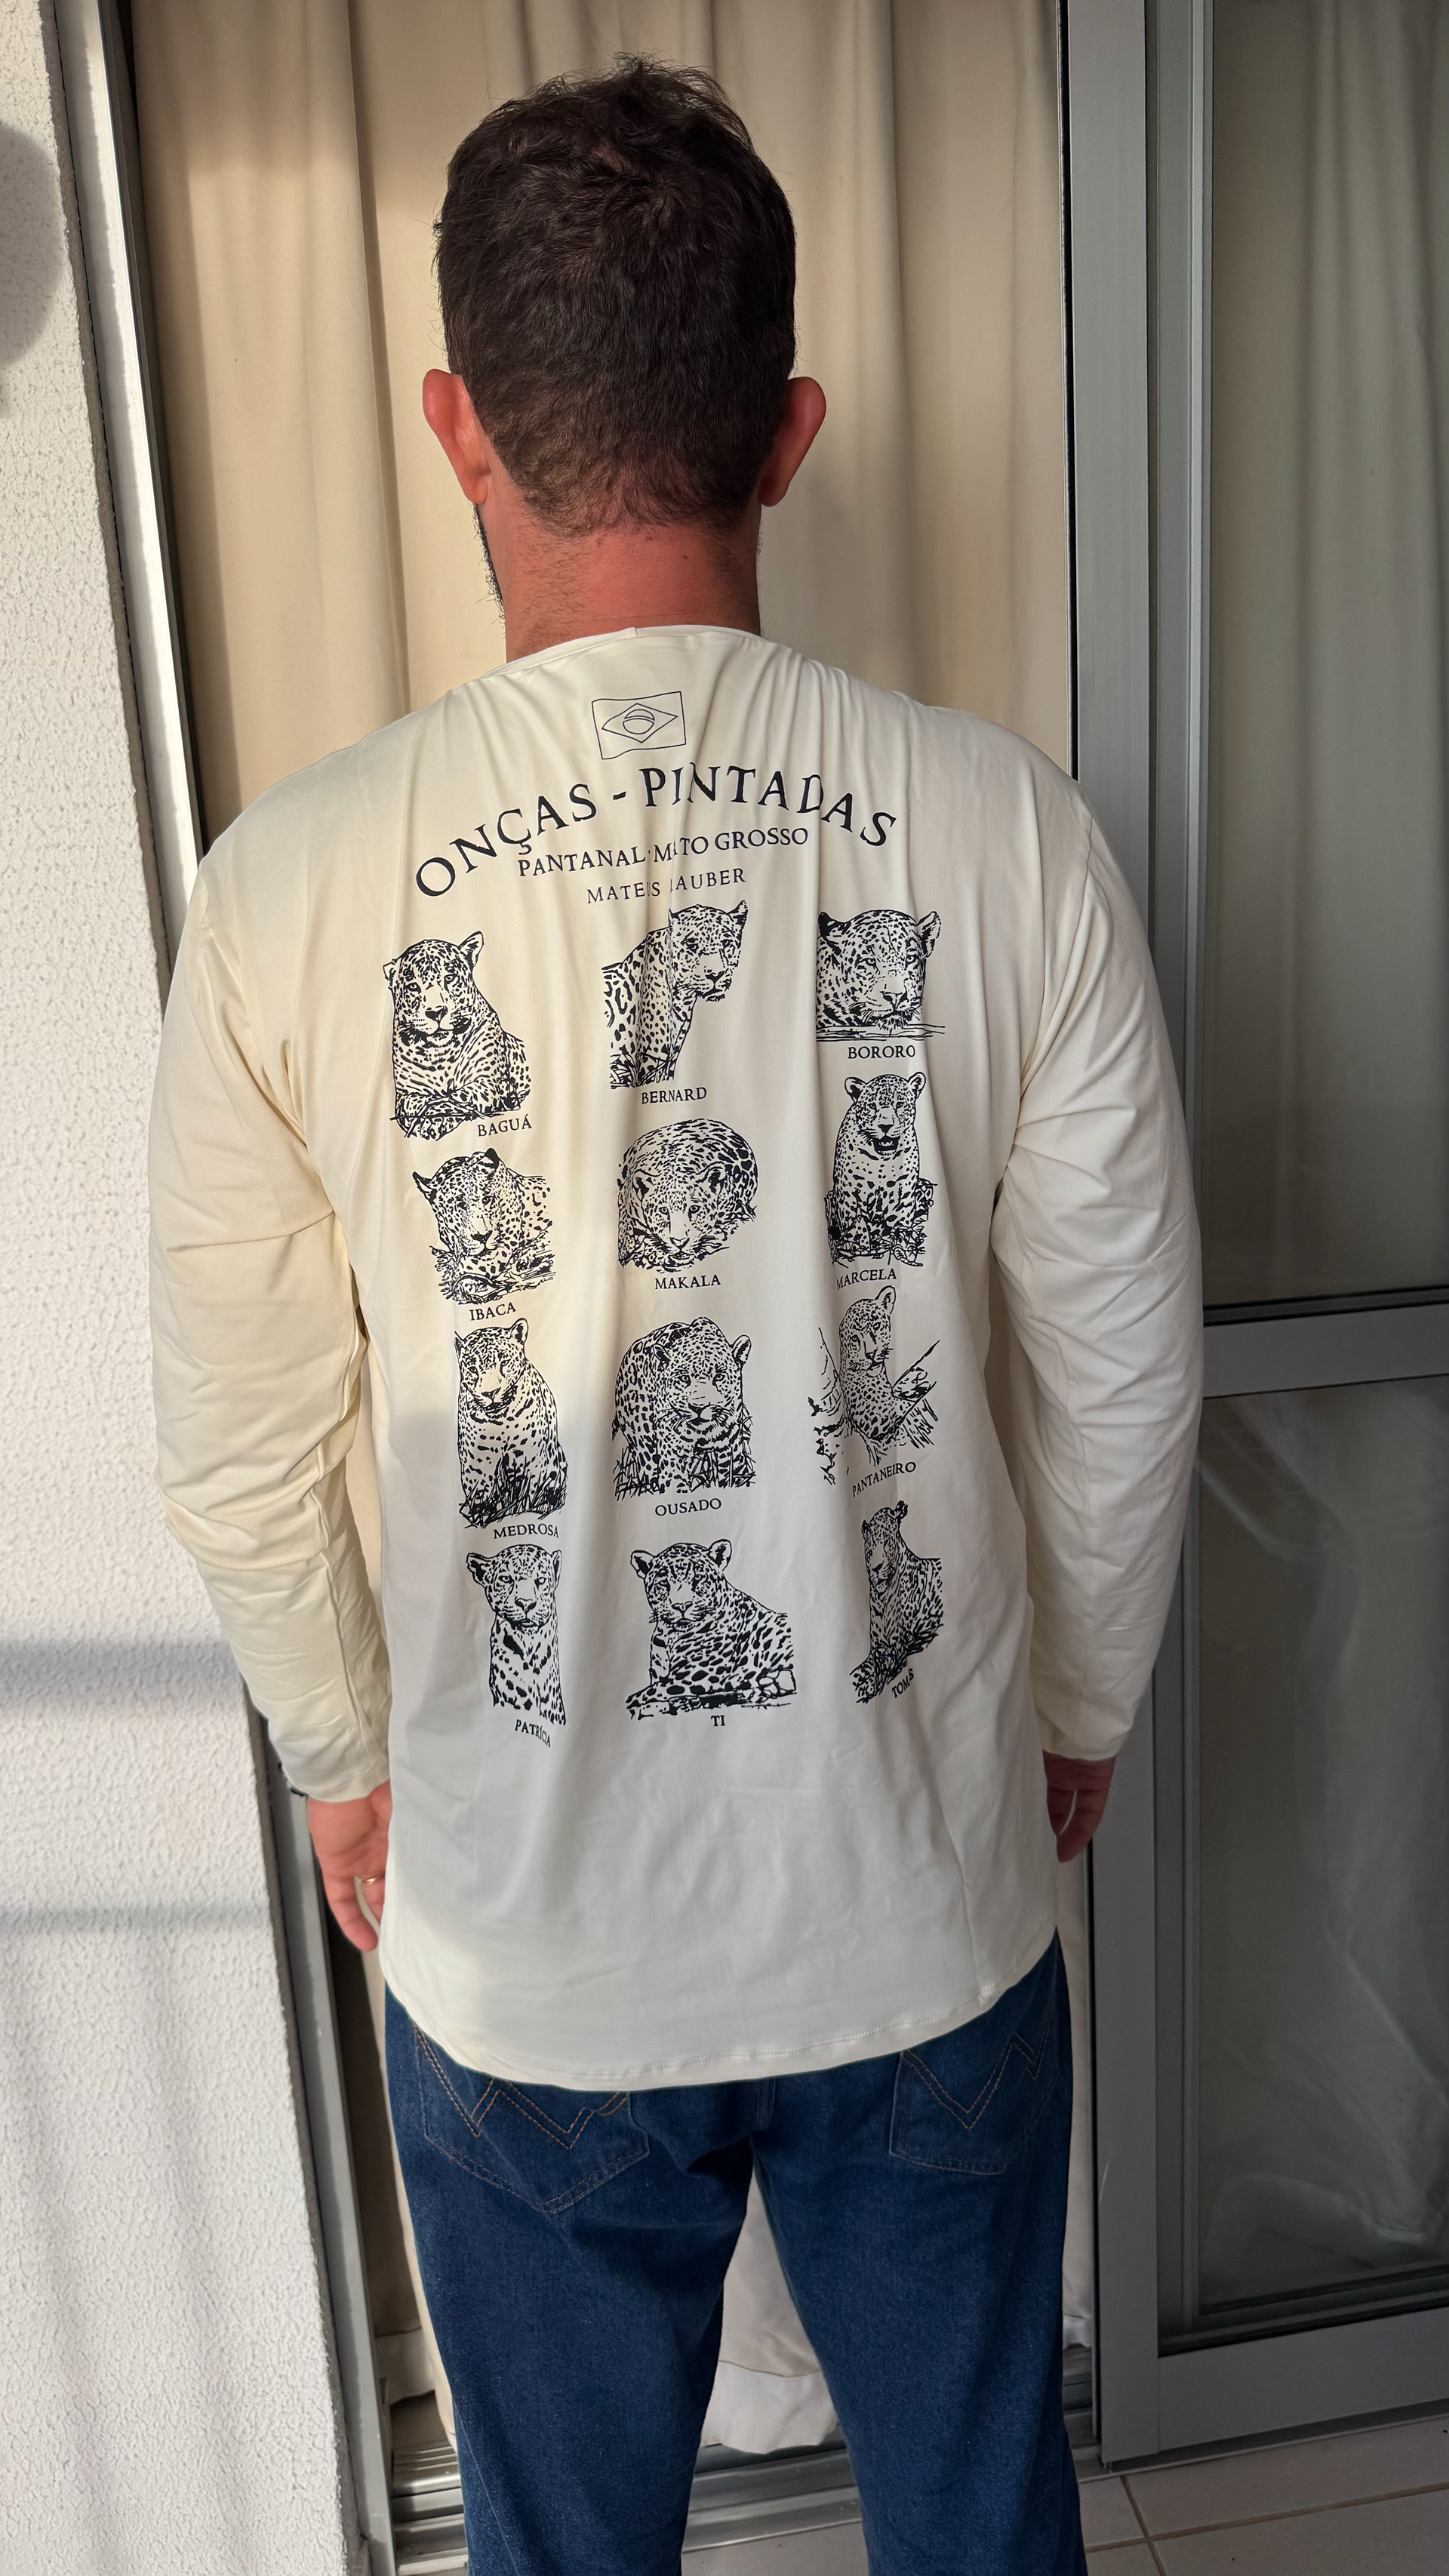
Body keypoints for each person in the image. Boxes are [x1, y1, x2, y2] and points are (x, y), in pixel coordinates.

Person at [149, 59, 1200, 2576]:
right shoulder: (1009, 830)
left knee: (567, 2554)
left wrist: (342, 1760)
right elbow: (1124, 1368)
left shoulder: (286, 889)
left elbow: (241, 1429)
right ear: (790, 431)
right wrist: (1069, 1711)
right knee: (979, 2522)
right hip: (917, 1884)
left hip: (523, 1936)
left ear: (454, 425)